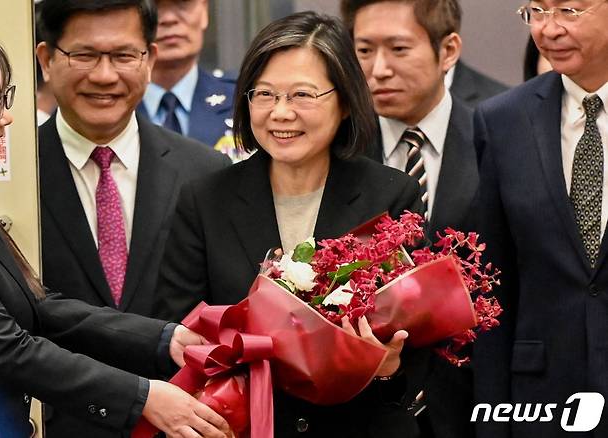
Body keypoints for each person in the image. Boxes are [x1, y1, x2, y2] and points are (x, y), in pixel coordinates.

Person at [0, 22, 230, 438]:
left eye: (5, 99)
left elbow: (39, 307)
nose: (6, 117)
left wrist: (165, 338)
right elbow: (8, 347)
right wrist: (144, 398)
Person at [154, 11, 425, 438]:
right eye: (264, 95)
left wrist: (388, 366)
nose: (280, 113)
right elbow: (178, 331)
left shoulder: (392, 197)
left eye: (302, 95)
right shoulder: (205, 200)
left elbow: (420, 345)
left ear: (346, 101)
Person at [35, 0, 230, 435]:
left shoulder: (205, 173)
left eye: (123, 56)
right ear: (47, 60)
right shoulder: (10, 177)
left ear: (149, 60)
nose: (105, 76)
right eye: (84, 55)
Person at [340, 1, 478, 436]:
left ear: (448, 50)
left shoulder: (495, 136)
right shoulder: (337, 154)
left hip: (476, 399)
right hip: (366, 407)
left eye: (398, 49)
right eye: (364, 50)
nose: (378, 69)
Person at [473, 1, 608, 437]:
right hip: (543, 399)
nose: (548, 29)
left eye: (569, 10)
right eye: (535, 11)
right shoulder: (503, 121)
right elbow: (492, 286)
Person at [137, 0, 242, 161]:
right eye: (154, 7)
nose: (169, 18)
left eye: (182, 4)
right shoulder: (108, 108)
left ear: (204, 11)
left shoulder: (244, 100)